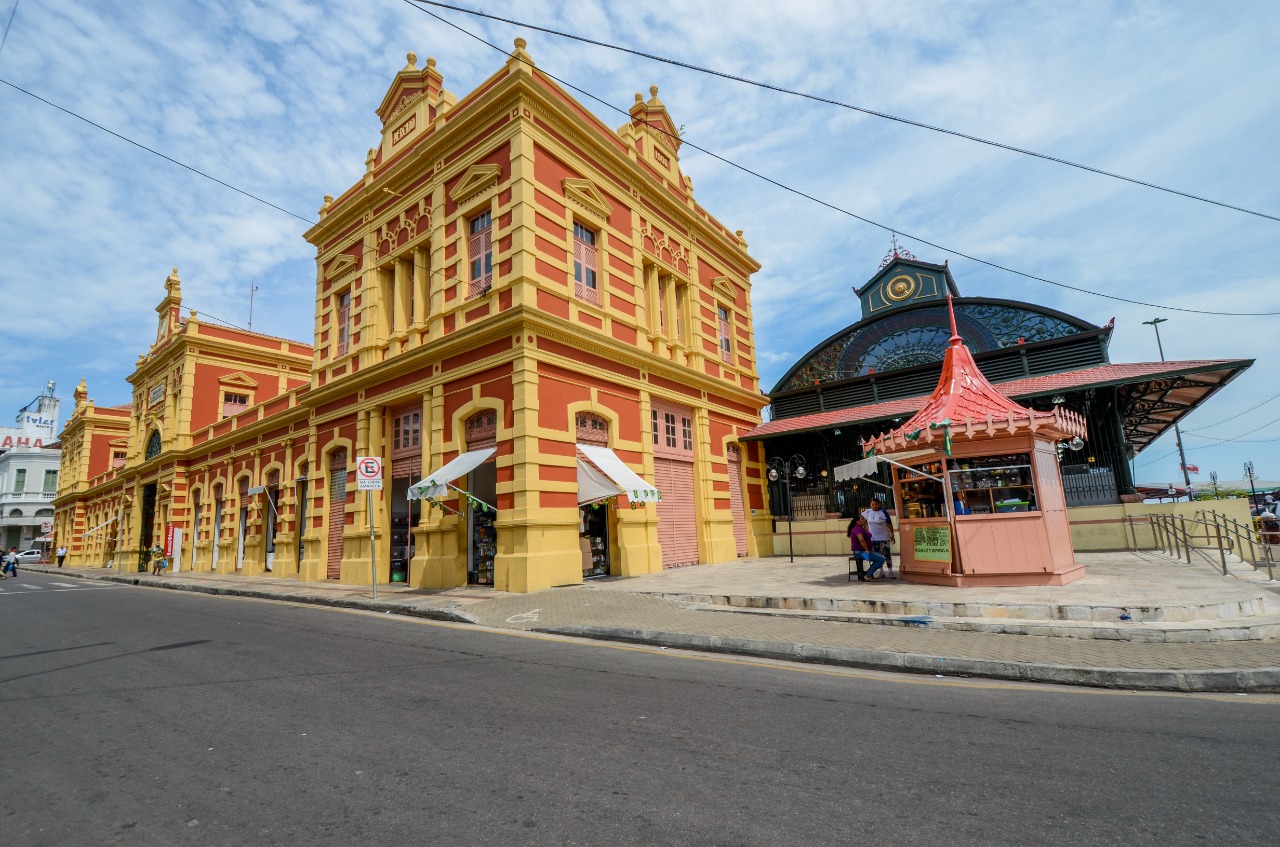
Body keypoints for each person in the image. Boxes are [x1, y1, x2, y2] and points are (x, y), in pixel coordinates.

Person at [861, 497, 896, 578]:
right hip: (873, 538)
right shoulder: (868, 512)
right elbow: (861, 519)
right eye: (872, 504)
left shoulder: (883, 512)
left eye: (876, 504)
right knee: (877, 556)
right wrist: (865, 528)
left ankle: (890, 571)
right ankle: (881, 571)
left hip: (884, 537)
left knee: (886, 555)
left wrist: (892, 534)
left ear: (879, 504)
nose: (874, 506)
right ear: (870, 505)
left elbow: (890, 524)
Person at [848, 516, 886, 581]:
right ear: (857, 521)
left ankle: (869, 574)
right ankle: (868, 575)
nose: (864, 520)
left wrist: (866, 526)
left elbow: (868, 534)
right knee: (881, 559)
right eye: (862, 519)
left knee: (878, 558)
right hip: (860, 553)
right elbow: (861, 540)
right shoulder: (857, 529)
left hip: (862, 551)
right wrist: (867, 550)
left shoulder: (861, 528)